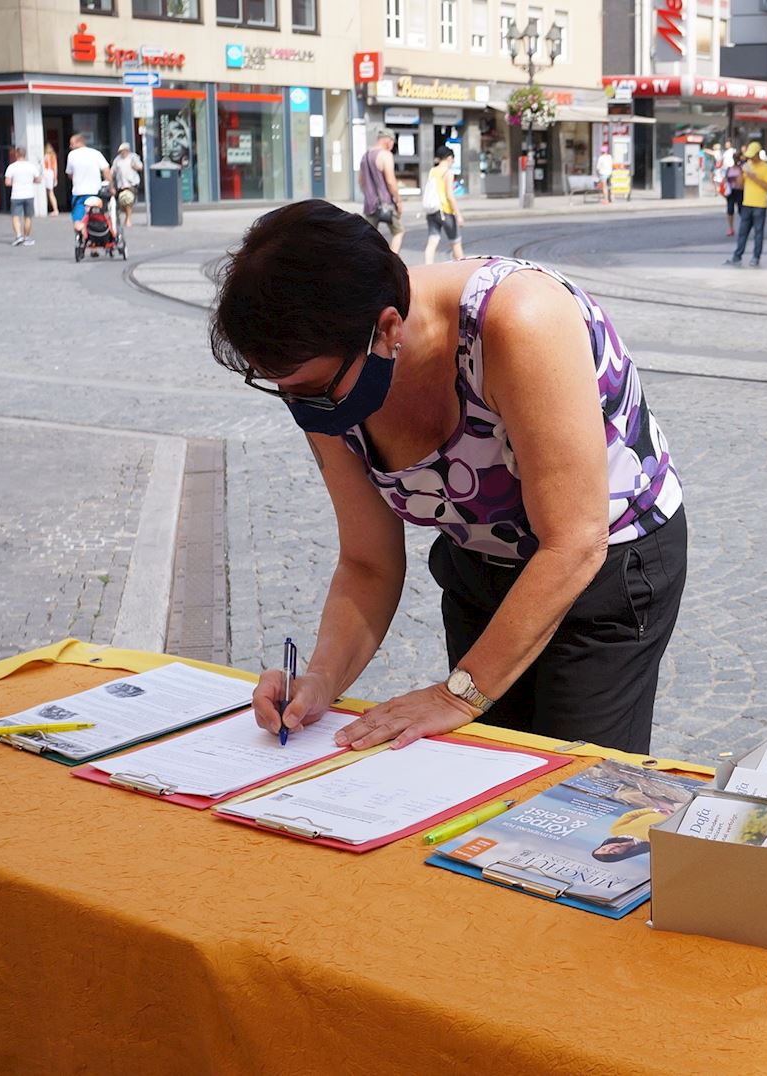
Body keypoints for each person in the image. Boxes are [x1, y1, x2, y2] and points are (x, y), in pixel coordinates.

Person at [210, 200, 687, 756]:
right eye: (284, 389)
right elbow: (368, 562)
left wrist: (460, 694)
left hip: (606, 566)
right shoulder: (327, 374)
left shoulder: (517, 319)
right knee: (487, 781)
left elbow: (575, 541)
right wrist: (319, 681)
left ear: (388, 329)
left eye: (314, 390)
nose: (305, 408)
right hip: (482, 564)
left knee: (573, 792)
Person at [723, 141, 767, 268]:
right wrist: (741, 172)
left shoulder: (765, 167)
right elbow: (740, 184)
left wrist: (754, 177)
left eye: (752, 155)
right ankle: (737, 256)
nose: (750, 158)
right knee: (742, 232)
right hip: (747, 203)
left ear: (757, 154)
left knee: (758, 232)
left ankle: (756, 257)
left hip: (759, 204)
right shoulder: (747, 165)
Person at [359, 127, 404, 254]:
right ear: (388, 140)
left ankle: (370, 264)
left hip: (369, 204)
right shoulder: (385, 155)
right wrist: (398, 200)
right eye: (392, 143)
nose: (392, 146)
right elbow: (390, 181)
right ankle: (392, 262)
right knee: (398, 232)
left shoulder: (365, 156)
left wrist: (369, 196)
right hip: (386, 203)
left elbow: (361, 182)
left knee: (370, 237)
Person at [423, 148, 465, 265]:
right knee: (456, 243)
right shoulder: (448, 173)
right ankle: (463, 268)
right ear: (449, 158)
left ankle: (428, 269)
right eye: (452, 159)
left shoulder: (432, 171)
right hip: (445, 211)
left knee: (432, 242)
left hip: (432, 211)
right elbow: (450, 196)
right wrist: (458, 215)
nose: (453, 162)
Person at [65, 132, 111, 239]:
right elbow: (106, 170)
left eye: (72, 144)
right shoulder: (96, 153)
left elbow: (69, 174)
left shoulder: (72, 155)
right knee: (97, 216)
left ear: (79, 142)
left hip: (79, 193)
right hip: (96, 192)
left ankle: (82, 236)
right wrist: (110, 186)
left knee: (78, 218)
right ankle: (96, 239)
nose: (70, 147)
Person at [3, 146, 40, 247]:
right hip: (29, 194)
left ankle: (19, 236)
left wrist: (15, 182)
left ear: (16, 154)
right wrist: (30, 181)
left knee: (15, 216)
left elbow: (7, 182)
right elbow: (38, 180)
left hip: (16, 194)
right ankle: (27, 237)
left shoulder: (12, 167)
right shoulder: (31, 166)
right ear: (25, 154)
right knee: (28, 217)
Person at [111, 141, 143, 229]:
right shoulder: (117, 159)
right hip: (121, 184)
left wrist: (135, 166)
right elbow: (113, 170)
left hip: (131, 183)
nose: (122, 153)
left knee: (128, 199)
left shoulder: (133, 157)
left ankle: (128, 219)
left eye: (123, 151)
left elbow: (140, 166)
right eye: (120, 151)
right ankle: (127, 217)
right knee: (122, 202)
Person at [723, 153, 744, 237]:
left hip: (739, 190)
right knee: (730, 210)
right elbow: (725, 179)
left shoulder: (741, 169)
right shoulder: (729, 169)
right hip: (731, 191)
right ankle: (731, 228)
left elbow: (743, 180)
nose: (736, 160)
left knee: (741, 210)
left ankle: (744, 227)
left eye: (737, 158)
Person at [42, 143, 60, 216]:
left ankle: (46, 209)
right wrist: (55, 177)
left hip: (45, 173)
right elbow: (55, 168)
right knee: (50, 192)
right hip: (51, 173)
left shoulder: (44, 156)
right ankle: (55, 209)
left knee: (46, 193)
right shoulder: (53, 156)